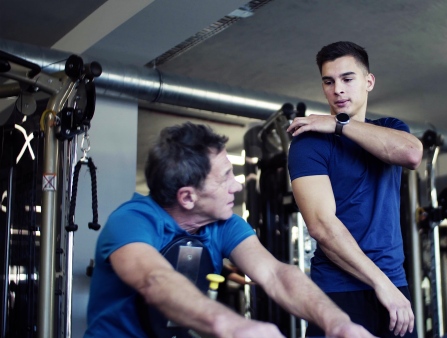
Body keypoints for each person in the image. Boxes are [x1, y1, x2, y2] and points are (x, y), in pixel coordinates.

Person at [84, 122, 376, 338]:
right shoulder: (132, 221)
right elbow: (154, 280)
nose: (236, 186)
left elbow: (275, 275)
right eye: (225, 178)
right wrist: (234, 327)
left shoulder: (223, 224)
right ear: (188, 197)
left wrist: (337, 322)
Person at [286, 41, 423, 338]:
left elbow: (412, 155)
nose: (338, 89)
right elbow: (322, 226)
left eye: (347, 79)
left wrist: (337, 124)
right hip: (339, 290)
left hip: (393, 285)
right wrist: (380, 284)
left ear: (368, 81)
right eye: (329, 81)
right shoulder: (308, 143)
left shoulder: (389, 127)